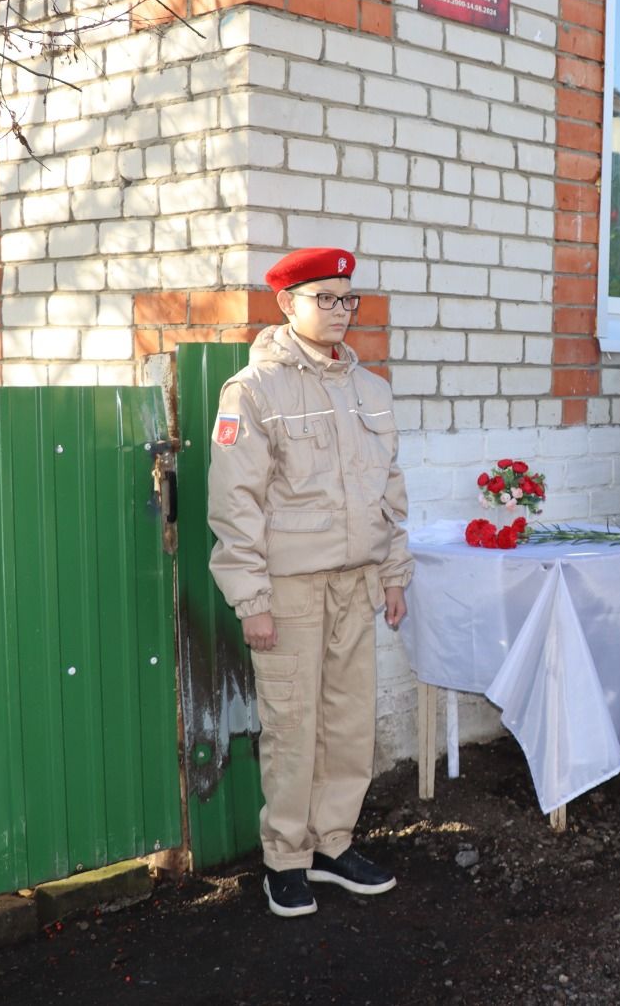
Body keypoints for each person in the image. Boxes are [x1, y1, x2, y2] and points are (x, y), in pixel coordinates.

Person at [207, 247, 413, 918]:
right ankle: (286, 859)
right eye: (324, 297)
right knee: (293, 727)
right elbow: (234, 504)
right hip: (290, 590)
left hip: (357, 583)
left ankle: (332, 844)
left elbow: (390, 492)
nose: (339, 310)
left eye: (347, 298)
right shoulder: (254, 390)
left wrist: (394, 574)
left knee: (349, 723)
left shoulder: (371, 390)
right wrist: (251, 600)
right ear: (286, 304)